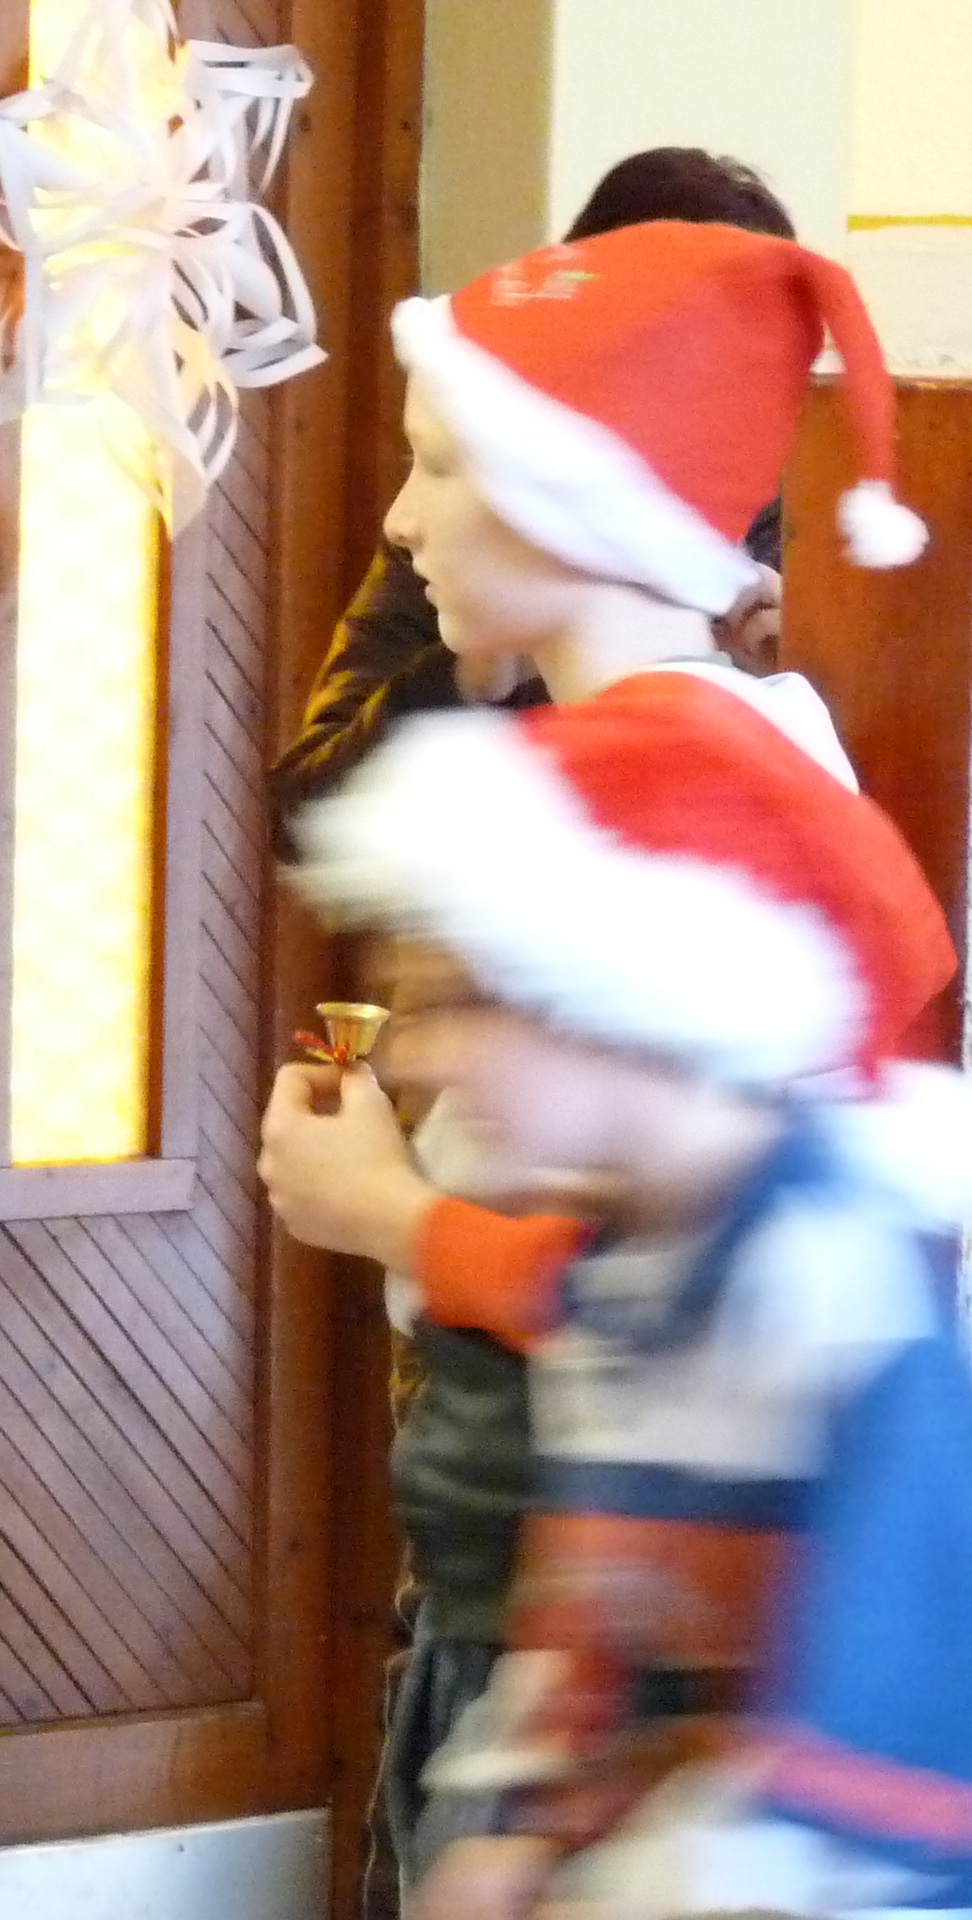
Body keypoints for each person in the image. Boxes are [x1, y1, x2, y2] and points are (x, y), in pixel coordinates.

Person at [258, 211, 930, 1908]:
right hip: (558, 1625)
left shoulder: (692, 816)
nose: (400, 522)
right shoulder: (588, 778)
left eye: (439, 468)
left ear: (577, 498)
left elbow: (716, 1275)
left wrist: (393, 1216)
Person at [290, 669, 972, 1920]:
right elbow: (590, 1618)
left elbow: (897, 1707)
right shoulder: (625, 1279)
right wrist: (519, 1826)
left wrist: (656, 1874)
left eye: (459, 1004)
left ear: (613, 1002)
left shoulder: (831, 1276)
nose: (421, 1054)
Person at [271, 149, 799, 839]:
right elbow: (307, 818)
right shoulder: (469, 521)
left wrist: (801, 670)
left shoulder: (818, 530)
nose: (402, 520)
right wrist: (469, 679)